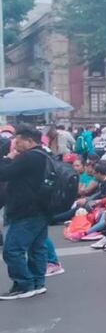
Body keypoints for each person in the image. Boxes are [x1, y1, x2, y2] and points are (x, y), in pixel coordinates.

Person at [0, 126, 53, 299]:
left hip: (26, 210)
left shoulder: (28, 157)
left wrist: (7, 158)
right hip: (42, 208)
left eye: (18, 140)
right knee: (37, 247)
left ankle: (24, 285)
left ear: (29, 140)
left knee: (12, 249)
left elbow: (3, 173)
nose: (15, 144)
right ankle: (38, 283)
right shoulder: (45, 154)